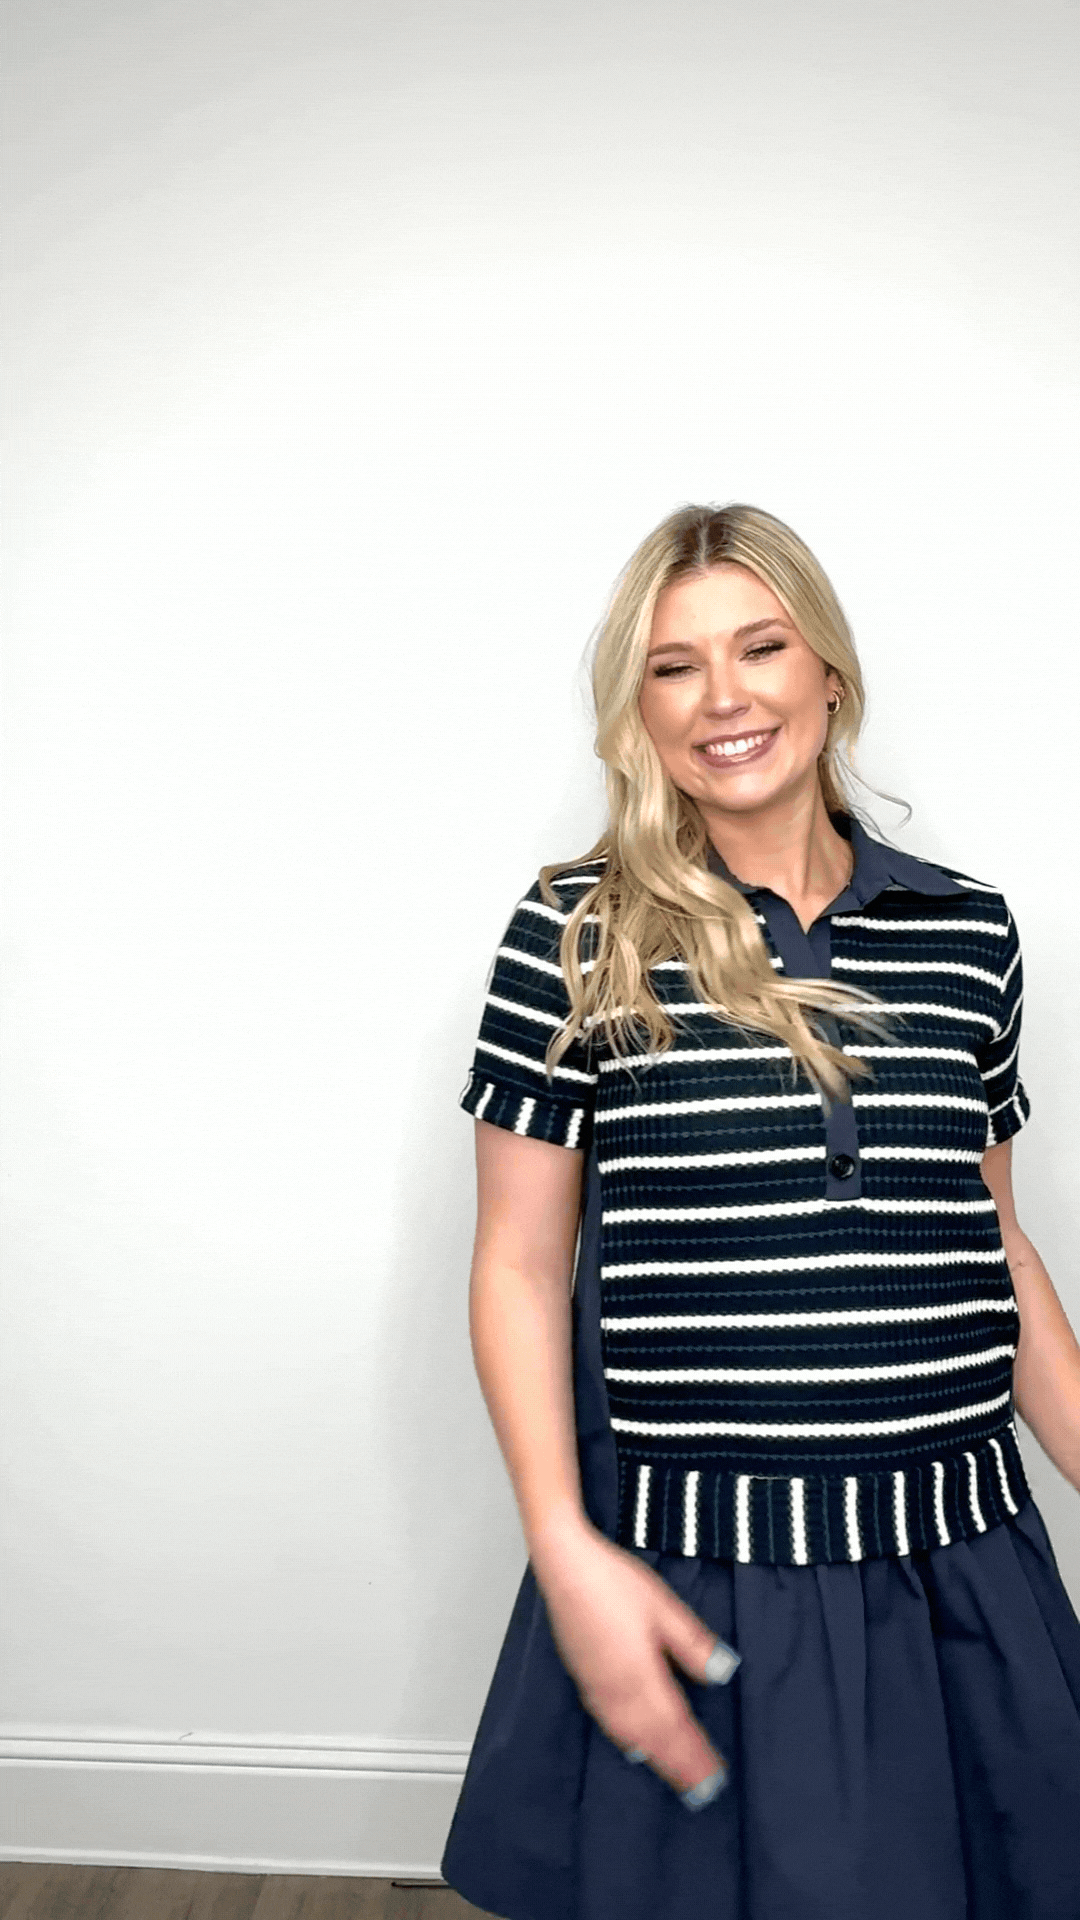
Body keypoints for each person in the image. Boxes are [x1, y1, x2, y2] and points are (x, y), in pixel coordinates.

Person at [440, 502, 1080, 1920]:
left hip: (957, 1560)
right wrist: (563, 1546)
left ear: (829, 673)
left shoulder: (970, 933)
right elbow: (518, 1266)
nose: (722, 696)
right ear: (640, 712)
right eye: (673, 667)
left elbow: (997, 1247)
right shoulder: (575, 934)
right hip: (707, 1569)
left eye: (761, 647)